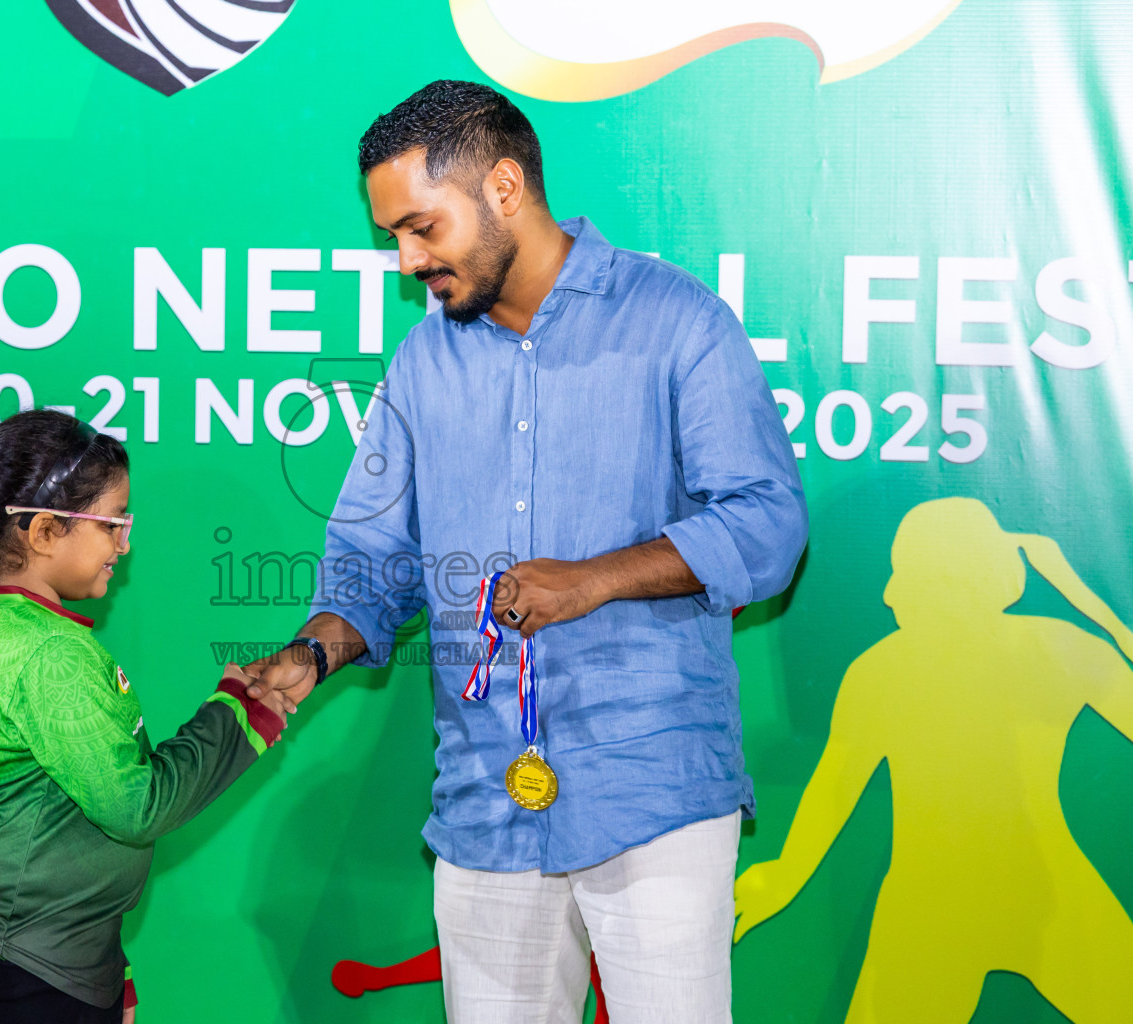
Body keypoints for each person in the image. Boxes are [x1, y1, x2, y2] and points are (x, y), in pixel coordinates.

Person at [244, 81, 808, 1023]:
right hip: (484, 806)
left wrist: (596, 580)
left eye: (421, 228)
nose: (404, 260)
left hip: (652, 792)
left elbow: (768, 523)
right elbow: (371, 554)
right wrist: (313, 652)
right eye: (392, 236)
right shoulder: (424, 361)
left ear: (504, 187)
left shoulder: (677, 321)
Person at [0, 409, 290, 1024]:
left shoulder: (14, 622)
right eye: (112, 522)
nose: (125, 541)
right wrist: (235, 716)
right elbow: (134, 807)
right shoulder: (50, 653)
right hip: (20, 951)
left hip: (35, 943)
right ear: (42, 533)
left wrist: (101, 963)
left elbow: (64, 815)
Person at [734, 498, 1133, 1022]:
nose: (888, 593)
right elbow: (834, 788)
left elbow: (833, 789)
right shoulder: (1058, 647)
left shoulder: (879, 671)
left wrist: (786, 874)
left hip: (940, 902)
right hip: (1019, 890)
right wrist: (1089, 605)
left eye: (903, 573)